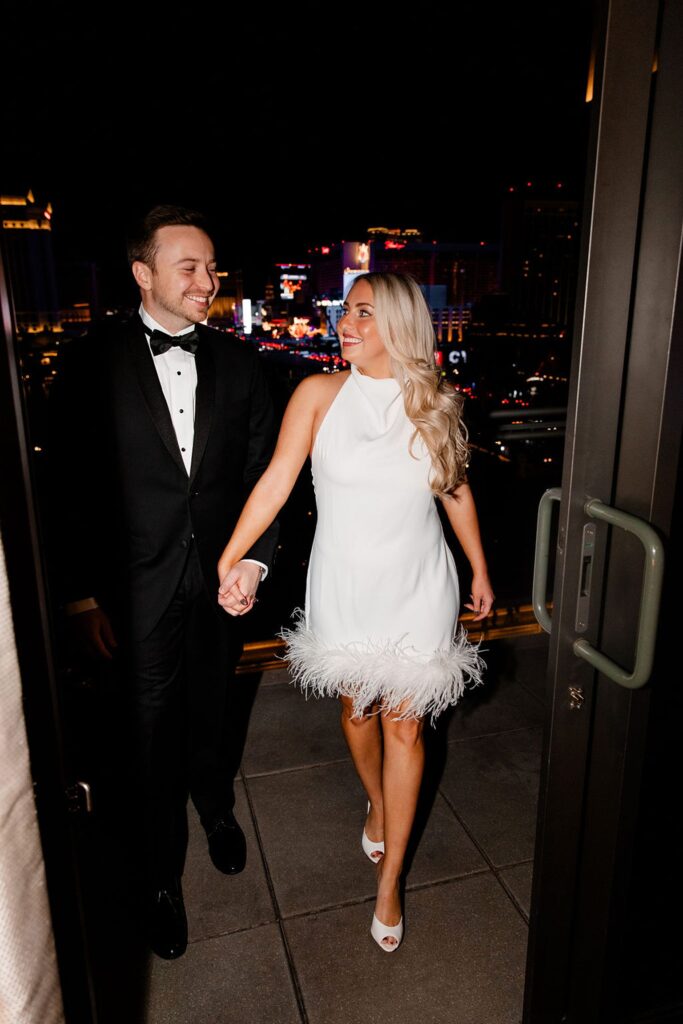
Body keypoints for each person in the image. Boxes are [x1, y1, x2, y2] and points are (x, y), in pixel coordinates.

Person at [216, 272, 494, 952]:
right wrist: (231, 557)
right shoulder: (317, 394)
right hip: (343, 583)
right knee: (355, 711)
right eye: (348, 311)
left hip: (419, 585)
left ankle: (391, 878)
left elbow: (453, 490)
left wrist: (479, 568)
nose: (346, 323)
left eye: (364, 313)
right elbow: (278, 480)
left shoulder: (434, 400)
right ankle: (375, 800)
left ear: (397, 322)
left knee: (406, 729)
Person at [49, 205, 278, 959]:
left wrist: (253, 558)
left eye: (212, 267)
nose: (207, 281)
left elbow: (262, 478)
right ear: (142, 273)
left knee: (212, 704)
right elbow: (66, 489)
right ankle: (157, 878)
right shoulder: (87, 363)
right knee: (145, 732)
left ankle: (214, 804)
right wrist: (81, 595)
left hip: (219, 582)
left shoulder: (243, 363)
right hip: (134, 586)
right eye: (189, 266)